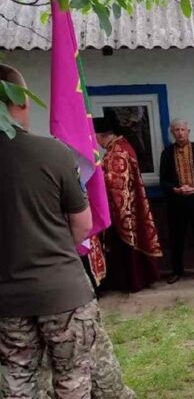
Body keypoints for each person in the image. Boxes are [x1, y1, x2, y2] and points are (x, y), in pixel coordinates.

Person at [0, 63, 99, 398]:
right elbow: (83, 224)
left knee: (17, 381)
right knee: (72, 380)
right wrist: (53, 248)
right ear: (21, 101)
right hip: (62, 292)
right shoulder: (52, 152)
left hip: (7, 298)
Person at [94, 111, 162, 292]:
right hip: (131, 205)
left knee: (125, 247)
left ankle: (132, 282)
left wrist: (97, 175)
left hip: (123, 209)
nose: (96, 143)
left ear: (103, 136)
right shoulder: (123, 146)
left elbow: (116, 184)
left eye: (97, 138)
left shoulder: (117, 152)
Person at [160, 118, 194, 284]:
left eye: (183, 129)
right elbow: (163, 180)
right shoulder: (167, 153)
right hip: (176, 202)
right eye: (176, 130)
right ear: (172, 133)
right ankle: (177, 270)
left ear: (188, 132)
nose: (180, 133)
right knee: (176, 237)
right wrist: (175, 189)